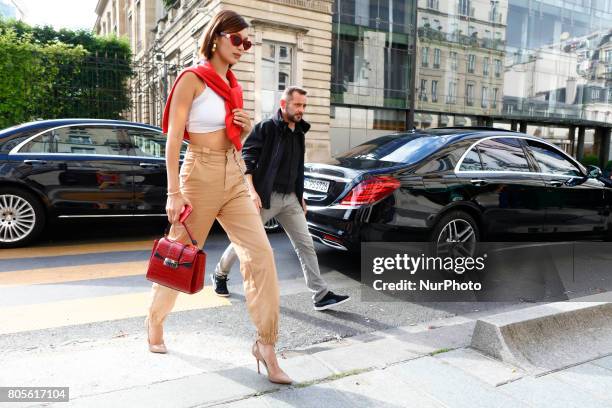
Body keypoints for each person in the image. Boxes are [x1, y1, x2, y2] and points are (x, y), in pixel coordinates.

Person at [145, 10, 291, 385]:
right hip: (199, 174)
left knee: (261, 256)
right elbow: (174, 138)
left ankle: (266, 345)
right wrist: (173, 191)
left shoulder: (234, 85)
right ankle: (155, 320)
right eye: (238, 40)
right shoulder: (192, 80)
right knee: (178, 256)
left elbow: (234, 138)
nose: (244, 47)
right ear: (216, 38)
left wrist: (244, 131)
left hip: (234, 172)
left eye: (248, 42)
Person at [211, 86, 351, 311]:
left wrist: (300, 195)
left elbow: (297, 167)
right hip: (266, 197)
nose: (301, 110)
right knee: (244, 241)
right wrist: (252, 191)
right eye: (297, 105)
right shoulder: (266, 128)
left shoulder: (300, 132)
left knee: (305, 244)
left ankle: (320, 294)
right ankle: (220, 273)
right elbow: (247, 159)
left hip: (291, 199)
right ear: (284, 105)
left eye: (304, 105)